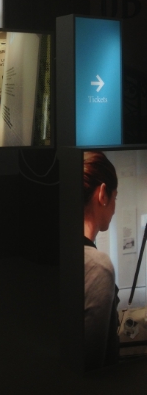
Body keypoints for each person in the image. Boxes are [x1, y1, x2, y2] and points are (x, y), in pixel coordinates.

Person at [83, 151, 120, 371]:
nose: (115, 208)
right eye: (116, 197)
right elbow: (92, 370)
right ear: (103, 194)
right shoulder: (98, 267)